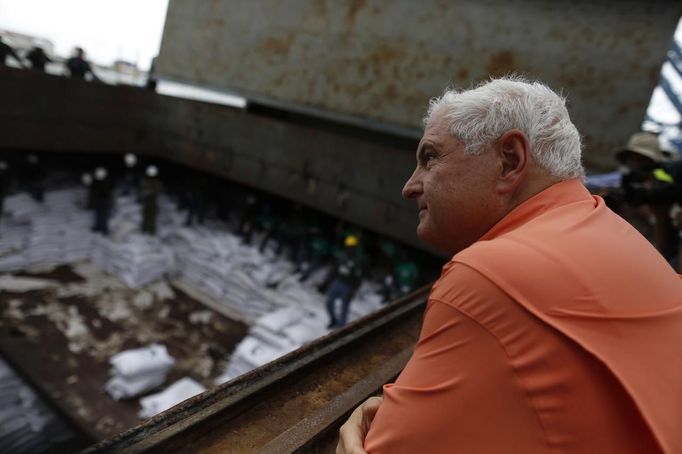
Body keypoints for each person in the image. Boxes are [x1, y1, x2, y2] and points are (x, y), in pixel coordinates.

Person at [337, 76, 682, 453]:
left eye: (430, 158)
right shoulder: (619, 236)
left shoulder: (489, 274)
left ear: (510, 160)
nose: (410, 186)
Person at [91, 167, 112, 235]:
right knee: (97, 213)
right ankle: (98, 226)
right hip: (98, 199)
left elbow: (107, 190)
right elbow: (94, 188)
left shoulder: (106, 181)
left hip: (104, 199)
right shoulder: (97, 180)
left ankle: (105, 228)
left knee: (104, 214)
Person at [140, 165, 161, 235]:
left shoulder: (156, 181)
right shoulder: (145, 180)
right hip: (147, 200)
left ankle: (151, 230)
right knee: (146, 215)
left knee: (152, 216)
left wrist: (150, 191)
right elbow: (142, 189)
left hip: (153, 200)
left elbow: (158, 190)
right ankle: (145, 229)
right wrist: (145, 192)